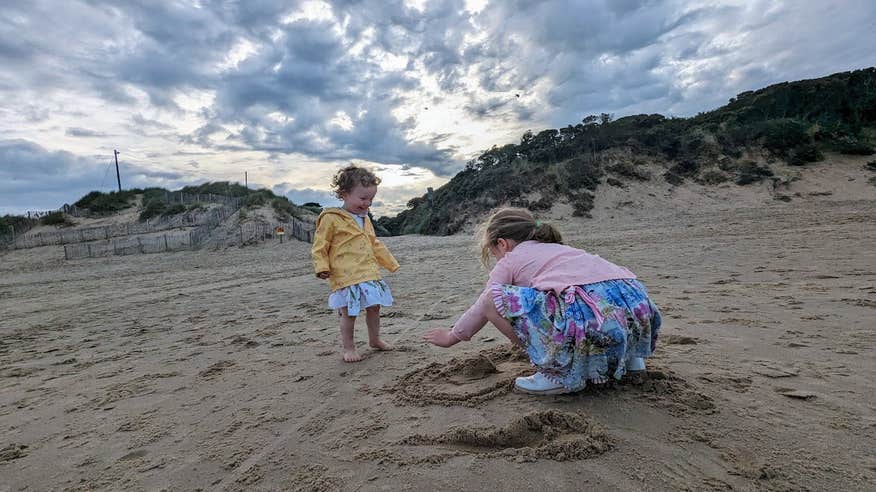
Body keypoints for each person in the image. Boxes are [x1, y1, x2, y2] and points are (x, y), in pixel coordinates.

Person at [424, 207, 661, 395]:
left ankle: (554, 373)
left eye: (493, 251)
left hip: (592, 315)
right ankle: (632, 361)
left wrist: (452, 337)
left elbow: (486, 303)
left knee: (490, 300)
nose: (496, 257)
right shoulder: (560, 249)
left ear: (502, 244)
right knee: (591, 305)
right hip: (636, 306)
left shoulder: (511, 258)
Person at [312, 165, 400, 362]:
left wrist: (390, 263)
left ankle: (375, 339)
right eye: (363, 198)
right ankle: (349, 348)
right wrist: (321, 266)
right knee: (349, 312)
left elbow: (373, 243)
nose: (367, 203)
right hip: (345, 275)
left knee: (375, 307)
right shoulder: (330, 219)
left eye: (371, 199)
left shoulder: (364, 218)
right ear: (344, 194)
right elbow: (320, 245)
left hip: (368, 271)